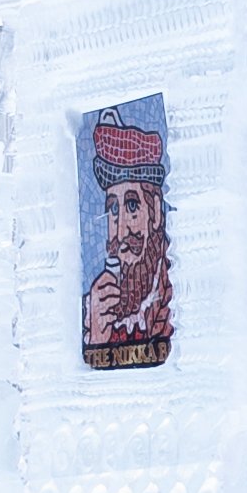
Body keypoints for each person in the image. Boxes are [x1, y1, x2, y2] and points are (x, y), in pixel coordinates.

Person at [82, 112, 175, 366]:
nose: (121, 230)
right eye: (113, 210)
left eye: (132, 205)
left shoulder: (174, 293)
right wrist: (98, 337)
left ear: (155, 212)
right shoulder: (95, 307)